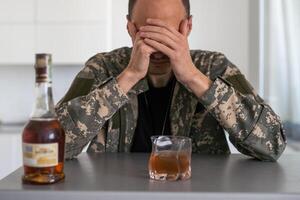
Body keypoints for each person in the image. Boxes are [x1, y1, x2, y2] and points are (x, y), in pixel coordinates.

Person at [55, 0, 286, 161]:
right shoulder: (103, 68)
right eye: (147, 33)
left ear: (188, 26)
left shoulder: (213, 67)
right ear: (130, 27)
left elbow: (273, 144)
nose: (158, 48)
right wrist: (128, 77)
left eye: (168, 33)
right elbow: (52, 146)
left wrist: (194, 77)